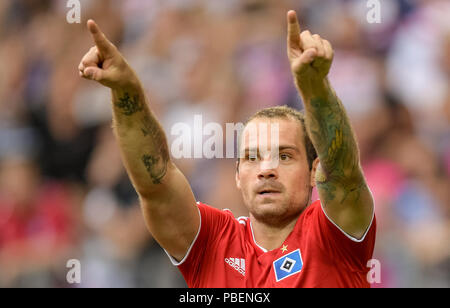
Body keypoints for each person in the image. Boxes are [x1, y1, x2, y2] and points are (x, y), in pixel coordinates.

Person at [78, 10, 376, 288]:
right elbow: (155, 182)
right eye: (251, 158)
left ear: (313, 172)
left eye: (284, 156)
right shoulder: (212, 240)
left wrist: (316, 89)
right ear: (237, 175)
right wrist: (126, 93)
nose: (266, 170)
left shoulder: (334, 234)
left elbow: (343, 171)